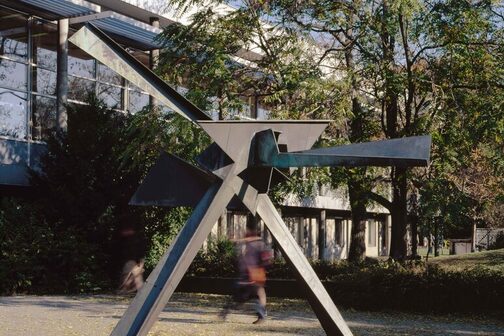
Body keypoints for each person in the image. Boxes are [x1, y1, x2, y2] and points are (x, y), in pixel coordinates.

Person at [220, 227, 272, 324]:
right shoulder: (257, 244)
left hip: (252, 274)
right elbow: (266, 260)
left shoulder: (254, 244)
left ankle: (225, 312)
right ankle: (261, 315)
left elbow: (263, 259)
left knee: (247, 296)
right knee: (254, 295)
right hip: (254, 274)